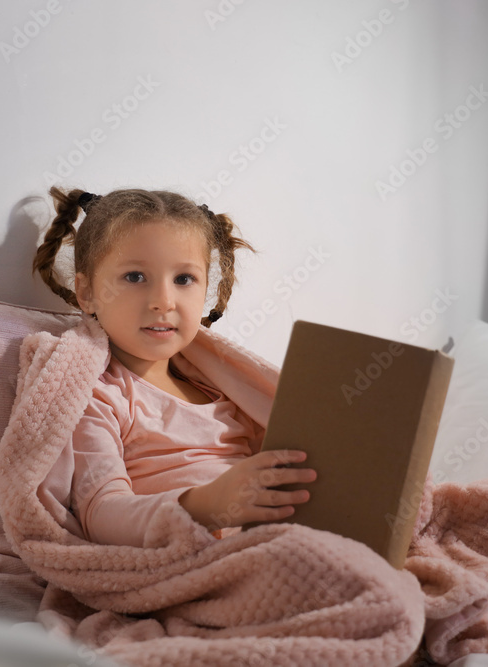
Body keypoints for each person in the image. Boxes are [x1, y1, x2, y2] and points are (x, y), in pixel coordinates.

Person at [31, 186, 317, 546]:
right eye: (135, 277)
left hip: (276, 542)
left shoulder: (228, 393)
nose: (163, 301)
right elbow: (101, 516)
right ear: (87, 293)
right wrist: (205, 505)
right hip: (196, 559)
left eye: (184, 279)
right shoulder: (98, 397)